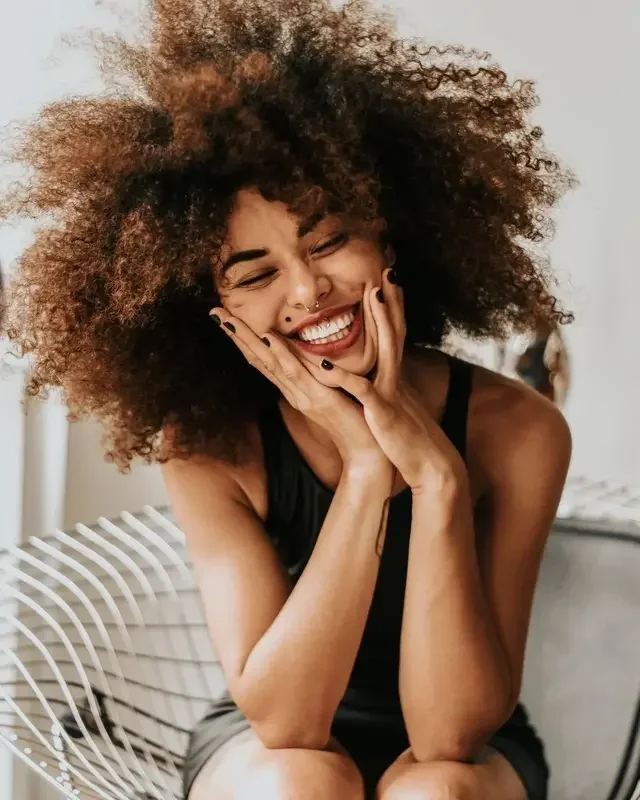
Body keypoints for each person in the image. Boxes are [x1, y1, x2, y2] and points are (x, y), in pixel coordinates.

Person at [0, 1, 577, 798]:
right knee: (298, 783)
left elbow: (451, 734)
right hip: (266, 744)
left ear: (391, 237)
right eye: (256, 273)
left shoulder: (521, 431)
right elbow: (286, 723)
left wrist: (437, 480)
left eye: (330, 240)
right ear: (217, 313)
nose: (308, 291)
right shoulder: (209, 448)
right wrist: (370, 472)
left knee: (439, 791)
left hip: (471, 753)